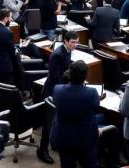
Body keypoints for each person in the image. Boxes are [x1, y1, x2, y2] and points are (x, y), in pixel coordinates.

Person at [38, 32, 79, 164]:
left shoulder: (67, 51)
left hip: (60, 88)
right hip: (52, 91)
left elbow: (65, 72)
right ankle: (42, 150)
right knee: (49, 122)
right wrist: (69, 88)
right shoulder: (57, 55)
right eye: (73, 42)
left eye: (77, 42)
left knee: (57, 120)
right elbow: (57, 78)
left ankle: (54, 142)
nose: (75, 45)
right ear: (65, 41)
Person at [50, 60, 99, 168]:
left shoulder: (57, 89)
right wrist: (84, 87)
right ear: (85, 76)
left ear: (69, 74)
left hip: (63, 138)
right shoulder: (92, 92)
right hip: (85, 139)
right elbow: (95, 108)